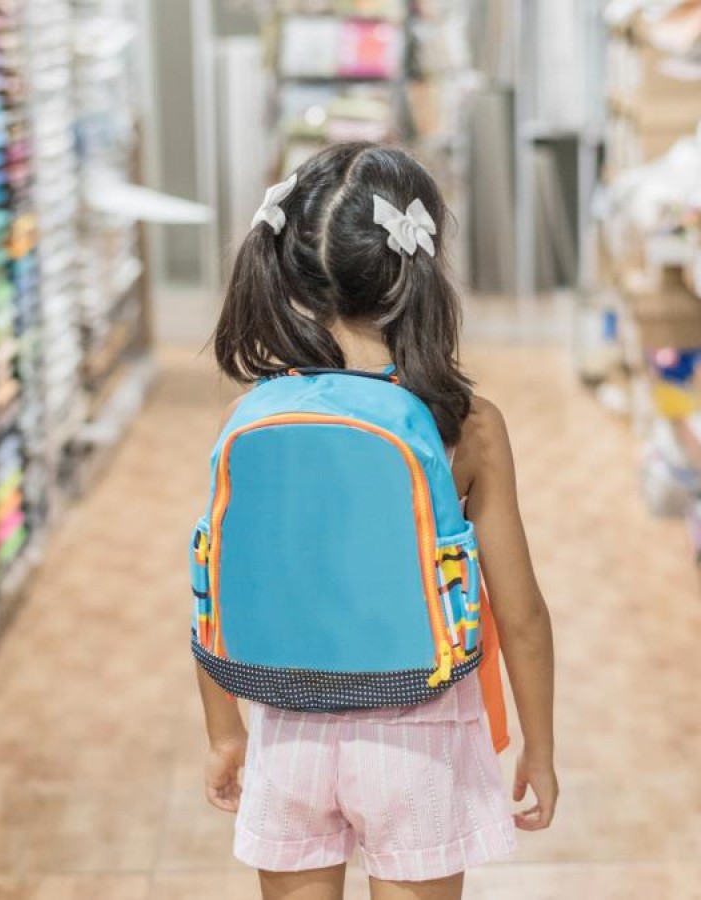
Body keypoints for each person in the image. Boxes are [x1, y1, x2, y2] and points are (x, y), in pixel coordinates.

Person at [193, 142, 558, 900]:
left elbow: (217, 578)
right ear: (417, 273)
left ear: (289, 273)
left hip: (286, 725)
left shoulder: (249, 414)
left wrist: (225, 730)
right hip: (418, 738)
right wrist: (540, 746)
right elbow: (519, 613)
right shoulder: (467, 424)